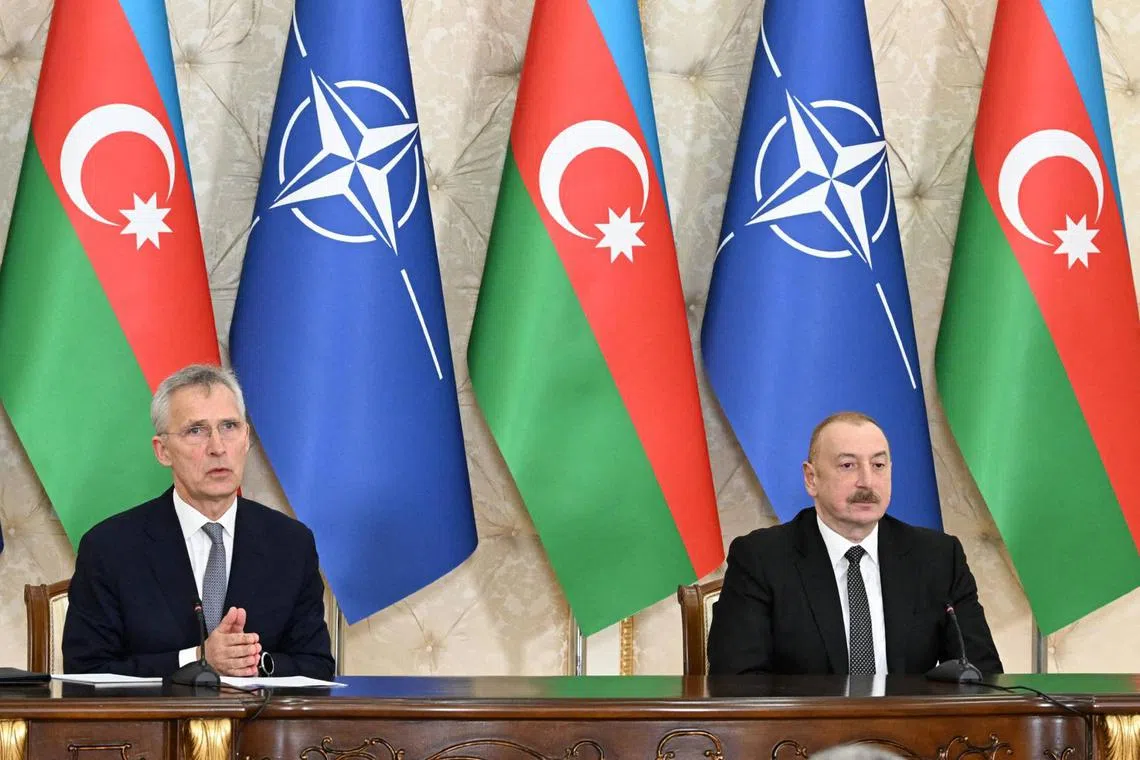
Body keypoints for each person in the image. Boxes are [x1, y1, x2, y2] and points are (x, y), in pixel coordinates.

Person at [63, 364, 334, 679]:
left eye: (230, 426)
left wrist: (251, 662)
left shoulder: (291, 543)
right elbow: (85, 672)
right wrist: (196, 659)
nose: (218, 448)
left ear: (246, 438)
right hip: (154, 727)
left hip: (257, 726)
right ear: (163, 451)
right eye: (196, 430)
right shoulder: (110, 547)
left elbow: (317, 667)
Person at [706, 411, 1002, 675]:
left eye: (878, 465)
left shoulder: (938, 557)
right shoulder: (761, 558)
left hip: (911, 733)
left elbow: (981, 673)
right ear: (811, 479)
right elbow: (736, 679)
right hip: (805, 734)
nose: (867, 482)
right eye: (848, 465)